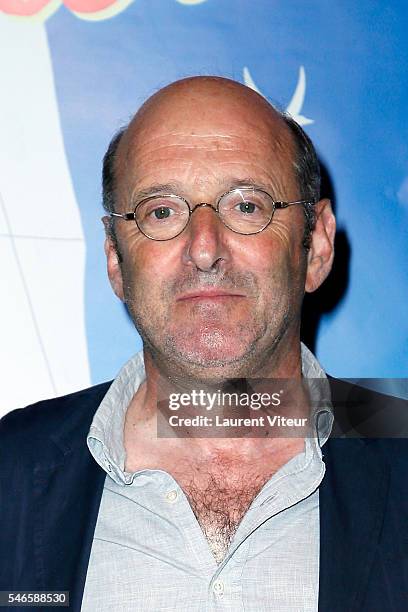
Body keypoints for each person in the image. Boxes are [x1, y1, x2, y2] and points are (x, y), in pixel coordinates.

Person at [1, 76, 408, 612]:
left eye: (246, 205)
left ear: (317, 246)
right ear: (115, 262)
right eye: (161, 211)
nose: (204, 249)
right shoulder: (10, 470)